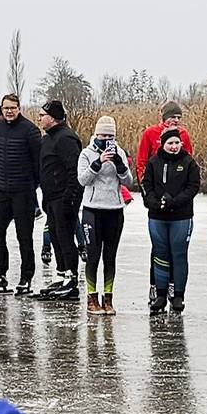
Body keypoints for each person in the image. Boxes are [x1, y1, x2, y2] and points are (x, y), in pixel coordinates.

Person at [0, 93, 44, 295]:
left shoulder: (30, 130)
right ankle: (1, 274)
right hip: (2, 190)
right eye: (5, 108)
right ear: (1, 109)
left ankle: (26, 278)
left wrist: (32, 187)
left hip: (23, 191)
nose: (9, 111)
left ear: (19, 108)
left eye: (12, 108)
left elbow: (38, 163)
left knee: (24, 236)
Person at [77, 115, 132, 314]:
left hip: (114, 210)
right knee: (93, 256)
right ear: (95, 134)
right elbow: (83, 180)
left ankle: (108, 298)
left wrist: (119, 164)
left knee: (110, 256)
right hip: (92, 210)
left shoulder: (120, 152)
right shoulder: (86, 153)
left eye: (110, 136)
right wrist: (98, 162)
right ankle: (92, 299)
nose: (106, 139)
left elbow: (129, 181)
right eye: (102, 135)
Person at [143, 127, 200, 314]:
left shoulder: (189, 162)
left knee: (179, 254)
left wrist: (174, 203)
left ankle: (178, 296)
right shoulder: (154, 162)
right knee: (160, 253)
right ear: (163, 144)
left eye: (177, 143)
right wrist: (152, 203)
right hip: (158, 216)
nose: (174, 146)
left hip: (181, 216)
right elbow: (147, 186)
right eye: (170, 143)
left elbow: (193, 187)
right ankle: (160, 295)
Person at [34, 100, 84, 302]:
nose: (39, 118)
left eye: (42, 115)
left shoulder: (66, 138)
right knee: (55, 237)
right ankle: (62, 275)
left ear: (52, 117)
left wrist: (69, 198)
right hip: (51, 197)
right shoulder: (48, 139)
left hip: (65, 198)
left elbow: (75, 171)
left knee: (65, 237)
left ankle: (72, 281)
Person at [134, 101, 193, 182]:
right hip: (155, 179)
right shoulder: (150, 132)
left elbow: (189, 159)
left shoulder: (183, 133)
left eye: (179, 118)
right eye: (173, 117)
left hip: (178, 179)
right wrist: (143, 181)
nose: (176, 120)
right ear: (164, 117)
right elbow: (142, 160)